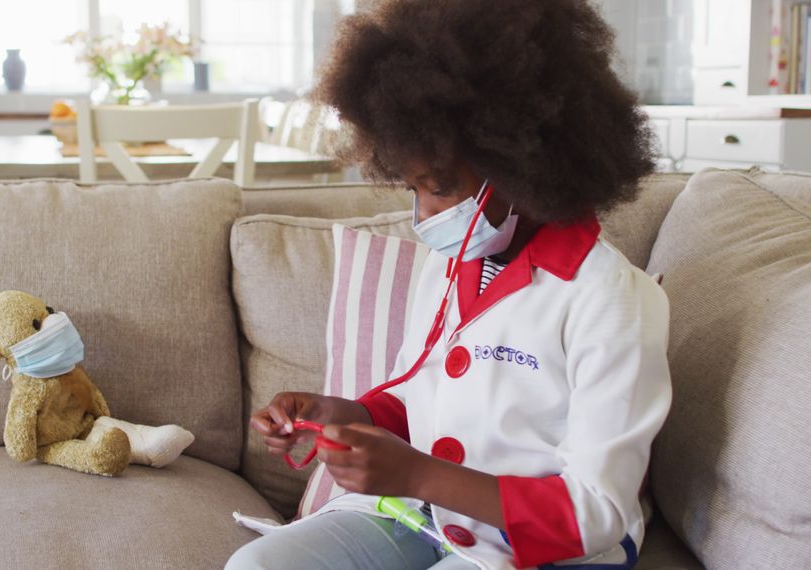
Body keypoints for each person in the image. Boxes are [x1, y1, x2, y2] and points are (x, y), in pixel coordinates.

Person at [228, 0, 670, 568]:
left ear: (523, 166)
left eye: (439, 187)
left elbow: (596, 511)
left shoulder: (612, 299)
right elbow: (423, 397)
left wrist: (417, 473)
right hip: (425, 516)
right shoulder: (452, 262)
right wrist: (343, 414)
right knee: (257, 566)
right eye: (413, 187)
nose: (424, 214)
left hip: (545, 546)